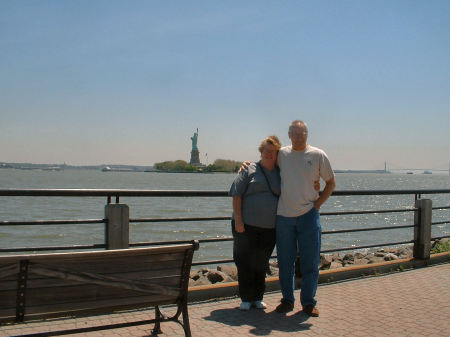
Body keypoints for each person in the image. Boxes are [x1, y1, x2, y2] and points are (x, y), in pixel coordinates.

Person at [274, 120, 335, 317]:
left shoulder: (318, 155)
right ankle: (287, 300)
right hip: (284, 217)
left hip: (309, 216)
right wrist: (245, 165)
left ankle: (308, 303)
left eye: (303, 133)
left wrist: (318, 204)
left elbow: (331, 182)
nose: (299, 137)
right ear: (289, 134)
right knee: (285, 263)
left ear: (307, 134)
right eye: (295, 133)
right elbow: (265, 163)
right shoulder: (281, 154)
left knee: (310, 262)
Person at [229, 135, 282, 310]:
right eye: (266, 151)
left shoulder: (281, 171)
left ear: (277, 154)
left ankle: (258, 297)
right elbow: (236, 194)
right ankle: (245, 298)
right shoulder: (249, 169)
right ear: (261, 151)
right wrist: (238, 220)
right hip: (245, 225)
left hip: (269, 228)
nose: (269, 154)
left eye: (272, 152)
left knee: (261, 262)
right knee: (244, 261)